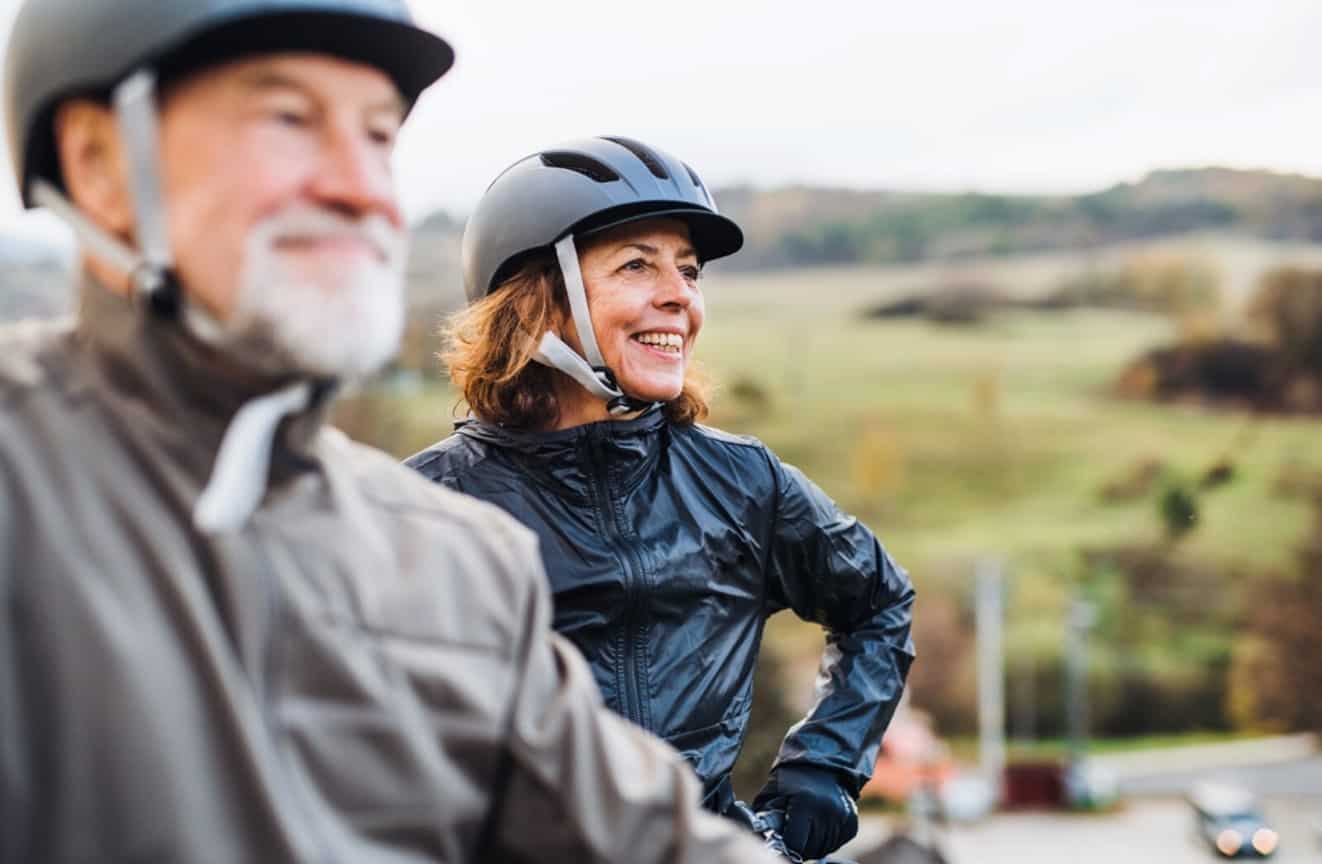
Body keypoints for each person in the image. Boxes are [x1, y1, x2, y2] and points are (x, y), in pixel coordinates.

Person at [0, 4, 776, 862]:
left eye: (377, 138)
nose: (361, 188)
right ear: (100, 163)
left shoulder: (457, 563)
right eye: (289, 120)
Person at [407, 136, 917, 861]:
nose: (681, 296)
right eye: (637, 264)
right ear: (538, 300)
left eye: (688, 270)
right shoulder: (421, 510)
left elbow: (879, 603)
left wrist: (822, 773)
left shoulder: (745, 485)